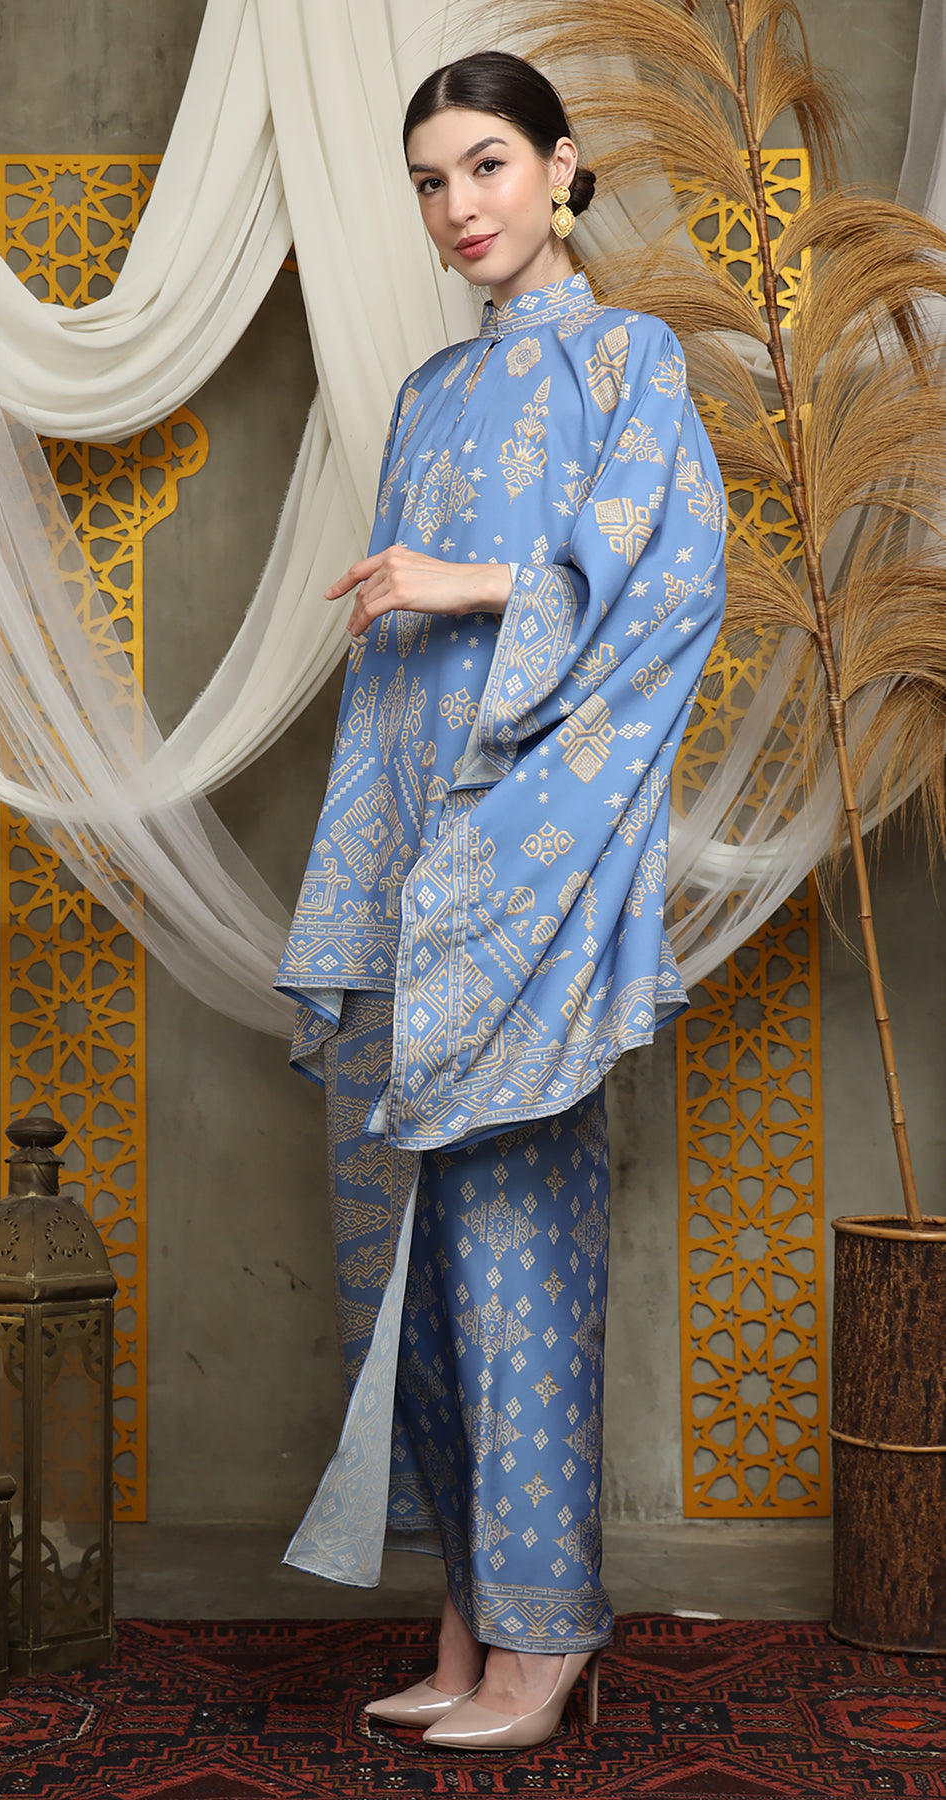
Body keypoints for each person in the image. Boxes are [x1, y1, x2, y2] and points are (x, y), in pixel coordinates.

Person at [274, 48, 726, 1751]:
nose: (457, 206)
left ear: (558, 166)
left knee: (518, 1246)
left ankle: (548, 1639)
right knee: (419, 1263)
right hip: (410, 857)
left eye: (484, 165)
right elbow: (385, 662)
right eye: (428, 181)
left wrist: (466, 581)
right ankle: (466, 1620)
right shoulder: (423, 396)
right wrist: (358, 875)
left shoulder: (628, 358)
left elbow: (669, 588)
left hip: (529, 864)